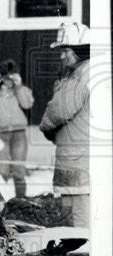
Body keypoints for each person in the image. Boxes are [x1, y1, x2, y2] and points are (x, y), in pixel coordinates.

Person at [40, 21, 92, 229]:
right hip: (83, 156)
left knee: (78, 218)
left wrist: (45, 127)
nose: (62, 56)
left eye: (66, 51)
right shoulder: (92, 72)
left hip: (76, 158)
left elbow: (58, 111)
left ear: (80, 50)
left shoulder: (79, 76)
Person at [0, 59, 34, 197]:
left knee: (18, 170)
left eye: (11, 75)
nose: (8, 79)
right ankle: (1, 204)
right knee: (1, 170)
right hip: (0, 135)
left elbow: (27, 104)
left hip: (19, 134)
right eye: (5, 75)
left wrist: (19, 86)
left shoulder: (22, 90)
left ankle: (21, 202)